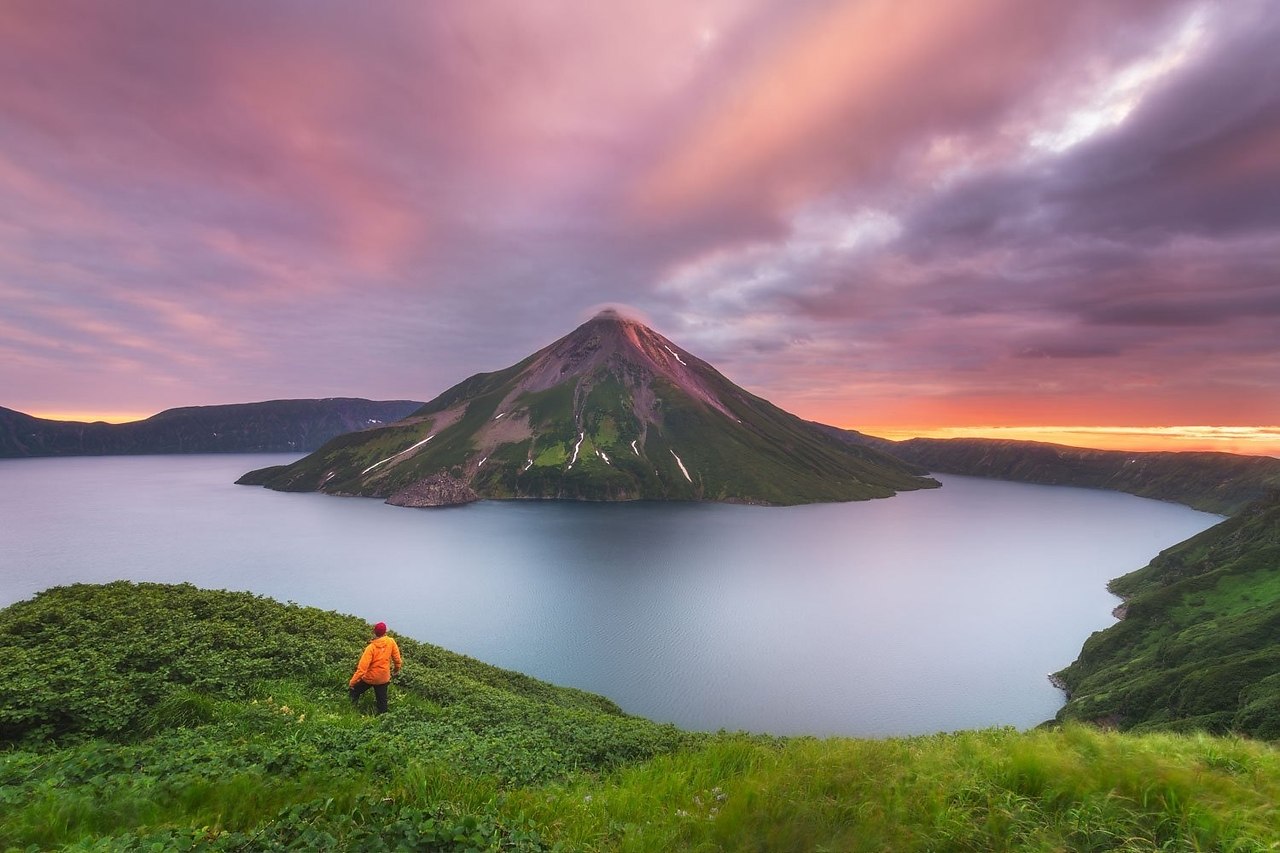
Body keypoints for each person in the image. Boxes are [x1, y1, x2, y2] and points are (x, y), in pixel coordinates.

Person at [348, 621, 402, 714]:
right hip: (383, 678)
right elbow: (397, 660)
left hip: (370, 678)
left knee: (354, 692)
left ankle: (351, 710)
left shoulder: (371, 647)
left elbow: (362, 669)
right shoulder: (391, 642)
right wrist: (396, 669)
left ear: (374, 632)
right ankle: (383, 721)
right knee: (382, 703)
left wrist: (352, 682)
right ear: (385, 632)